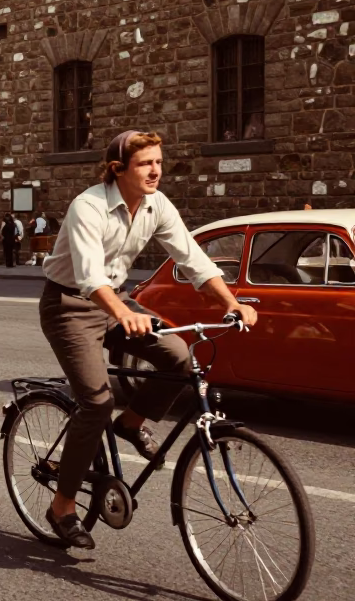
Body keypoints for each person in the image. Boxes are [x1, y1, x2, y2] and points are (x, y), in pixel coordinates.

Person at [39, 130, 258, 550]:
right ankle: (62, 506)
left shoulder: (157, 205)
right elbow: (88, 276)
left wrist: (230, 302)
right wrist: (122, 314)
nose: (156, 170)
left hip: (116, 300)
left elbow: (191, 258)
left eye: (158, 161)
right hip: (68, 305)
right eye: (145, 163)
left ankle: (132, 422)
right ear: (118, 169)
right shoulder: (89, 206)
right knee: (97, 403)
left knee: (179, 358)